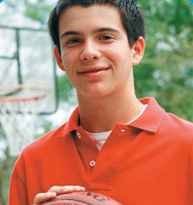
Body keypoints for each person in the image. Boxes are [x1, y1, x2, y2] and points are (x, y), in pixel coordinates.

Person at [9, 0, 193, 204]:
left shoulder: (188, 146)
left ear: (137, 49)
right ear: (59, 58)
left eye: (105, 37)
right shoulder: (31, 161)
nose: (89, 52)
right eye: (73, 41)